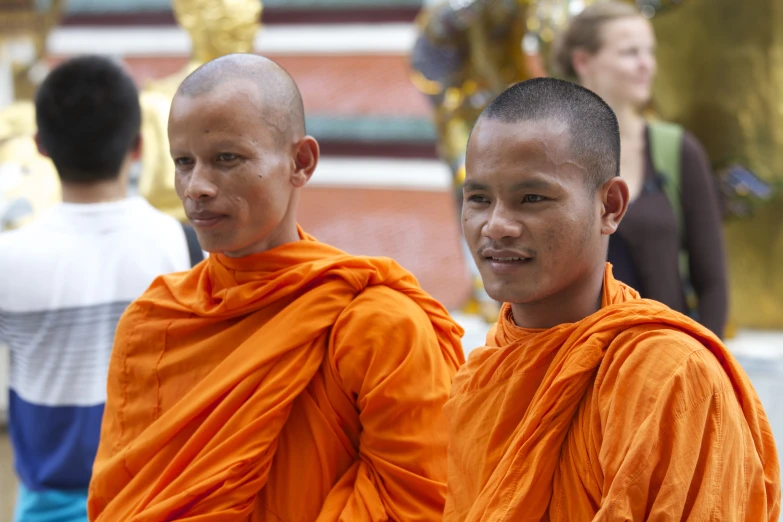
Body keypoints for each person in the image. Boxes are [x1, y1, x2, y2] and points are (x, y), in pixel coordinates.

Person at [87, 53, 465, 521]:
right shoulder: (155, 321)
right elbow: (123, 501)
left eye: (227, 158)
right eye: (184, 162)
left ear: (300, 162)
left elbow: (414, 502)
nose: (196, 186)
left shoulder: (376, 326)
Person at [443, 77, 780, 520]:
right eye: (480, 198)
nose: (497, 225)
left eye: (532, 198)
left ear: (611, 206)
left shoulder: (668, 377)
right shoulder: (482, 378)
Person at [0, 56, 193, 522]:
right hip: (158, 499)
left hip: (47, 507)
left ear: (40, 145)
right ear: (139, 146)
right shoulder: (184, 248)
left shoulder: (7, 260)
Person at [552, 1, 728, 337]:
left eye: (650, 51)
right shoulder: (548, 151)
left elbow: (712, 281)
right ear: (583, 61)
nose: (646, 64)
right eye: (630, 52)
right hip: (571, 363)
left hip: (662, 368)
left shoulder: (678, 150)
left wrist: (704, 361)